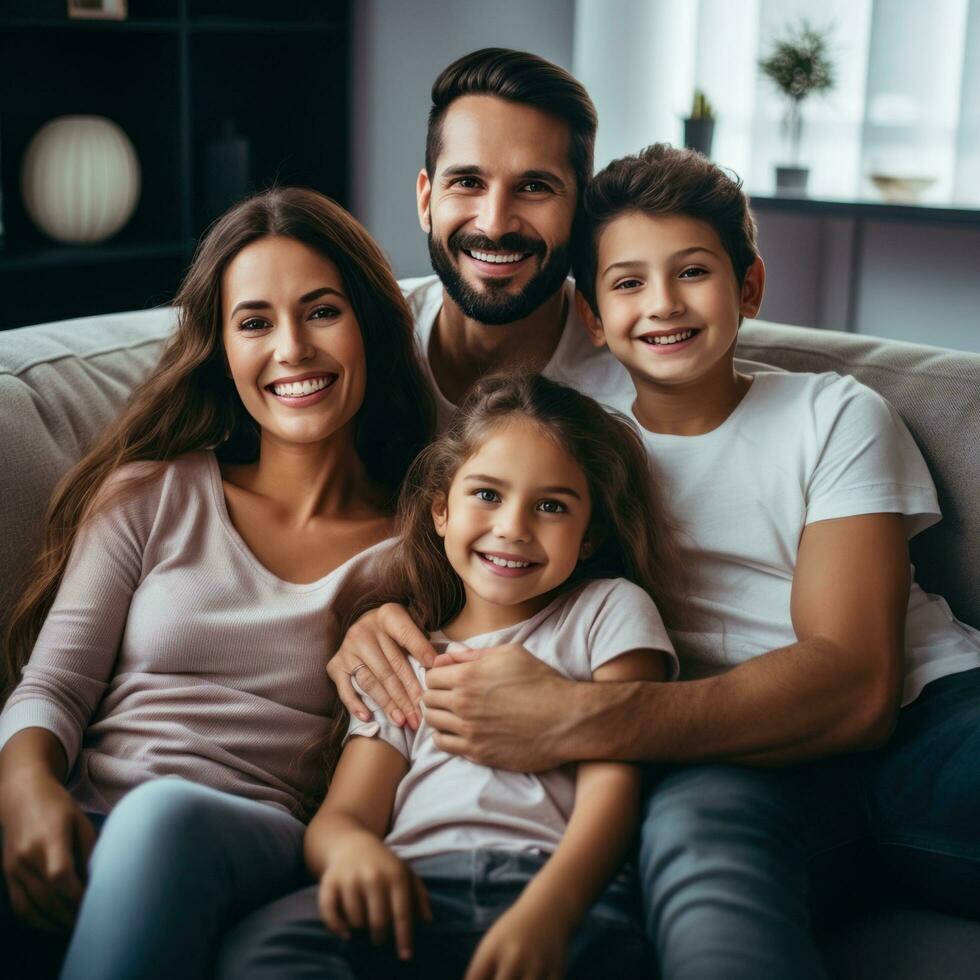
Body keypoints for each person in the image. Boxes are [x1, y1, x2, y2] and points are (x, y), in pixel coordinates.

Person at [333, 140, 980, 979]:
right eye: (628, 282)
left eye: (693, 273)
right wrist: (373, 624)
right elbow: (460, 535)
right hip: (731, 765)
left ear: (748, 286)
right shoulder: (572, 445)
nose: (663, 304)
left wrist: (577, 715)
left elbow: (857, 689)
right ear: (593, 318)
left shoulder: (832, 413)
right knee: (696, 849)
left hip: (929, 715)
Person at [0, 187, 433, 980]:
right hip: (79, 814)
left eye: (322, 311)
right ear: (223, 349)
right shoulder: (150, 492)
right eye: (256, 322)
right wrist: (25, 788)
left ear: (369, 323)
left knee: (162, 819)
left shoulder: (421, 549)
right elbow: (53, 685)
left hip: (249, 835)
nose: (293, 349)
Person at [218, 372, 683, 979]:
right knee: (262, 950)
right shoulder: (403, 658)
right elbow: (343, 816)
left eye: (551, 506)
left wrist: (550, 911)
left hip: (557, 889)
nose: (513, 526)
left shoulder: (607, 611)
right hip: (412, 892)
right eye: (487, 494)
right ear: (441, 509)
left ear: (590, 535)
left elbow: (614, 791)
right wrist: (354, 854)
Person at [328, 46, 634, 727]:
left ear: (579, 210)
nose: (495, 223)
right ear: (425, 198)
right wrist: (368, 617)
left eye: (533, 187)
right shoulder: (357, 351)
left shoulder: (631, 383)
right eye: (467, 181)